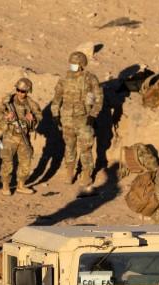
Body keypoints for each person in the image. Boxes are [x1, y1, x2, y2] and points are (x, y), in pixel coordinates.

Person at [50, 51, 102, 195]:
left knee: (86, 147)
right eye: (72, 63)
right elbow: (56, 98)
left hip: (84, 118)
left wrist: (93, 114)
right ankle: (70, 172)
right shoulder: (64, 79)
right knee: (69, 146)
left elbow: (98, 98)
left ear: (82, 65)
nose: (73, 66)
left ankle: (86, 174)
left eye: (76, 64)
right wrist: (55, 114)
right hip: (67, 119)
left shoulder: (90, 79)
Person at [0, 78, 42, 195]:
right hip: (10, 136)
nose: (20, 93)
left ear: (28, 91)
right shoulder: (7, 101)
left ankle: (21, 185)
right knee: (7, 162)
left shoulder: (32, 104)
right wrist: (6, 116)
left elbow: (39, 117)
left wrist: (33, 119)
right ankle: (5, 186)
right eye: (18, 90)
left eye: (23, 91)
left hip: (24, 137)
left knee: (26, 162)